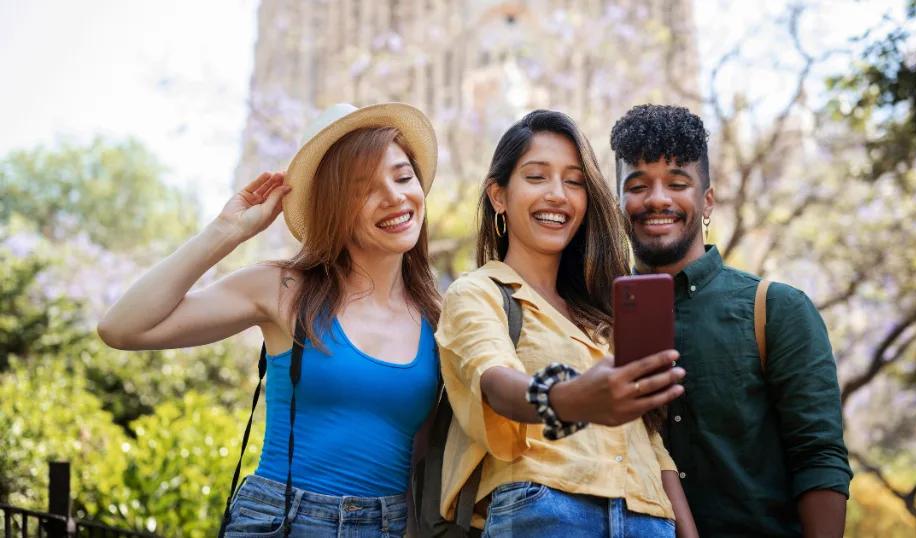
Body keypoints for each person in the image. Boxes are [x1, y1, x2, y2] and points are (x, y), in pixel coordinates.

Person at [98, 102, 441, 537]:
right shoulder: (285, 289)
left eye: (402, 175)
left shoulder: (437, 318)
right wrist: (227, 231)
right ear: (334, 207)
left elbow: (420, 461)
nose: (394, 196)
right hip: (283, 521)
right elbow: (122, 327)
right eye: (363, 188)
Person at [435, 109, 699, 538]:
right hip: (546, 510)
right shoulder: (478, 293)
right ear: (498, 195)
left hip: (649, 519)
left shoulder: (604, 313)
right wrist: (570, 398)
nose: (558, 195)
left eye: (574, 181)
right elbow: (497, 384)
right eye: (537, 177)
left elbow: (649, 440)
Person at [610, 103, 853, 537]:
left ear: (707, 201)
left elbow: (818, 457)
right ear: (619, 203)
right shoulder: (593, 318)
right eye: (638, 185)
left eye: (677, 183)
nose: (658, 199)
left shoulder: (776, 309)